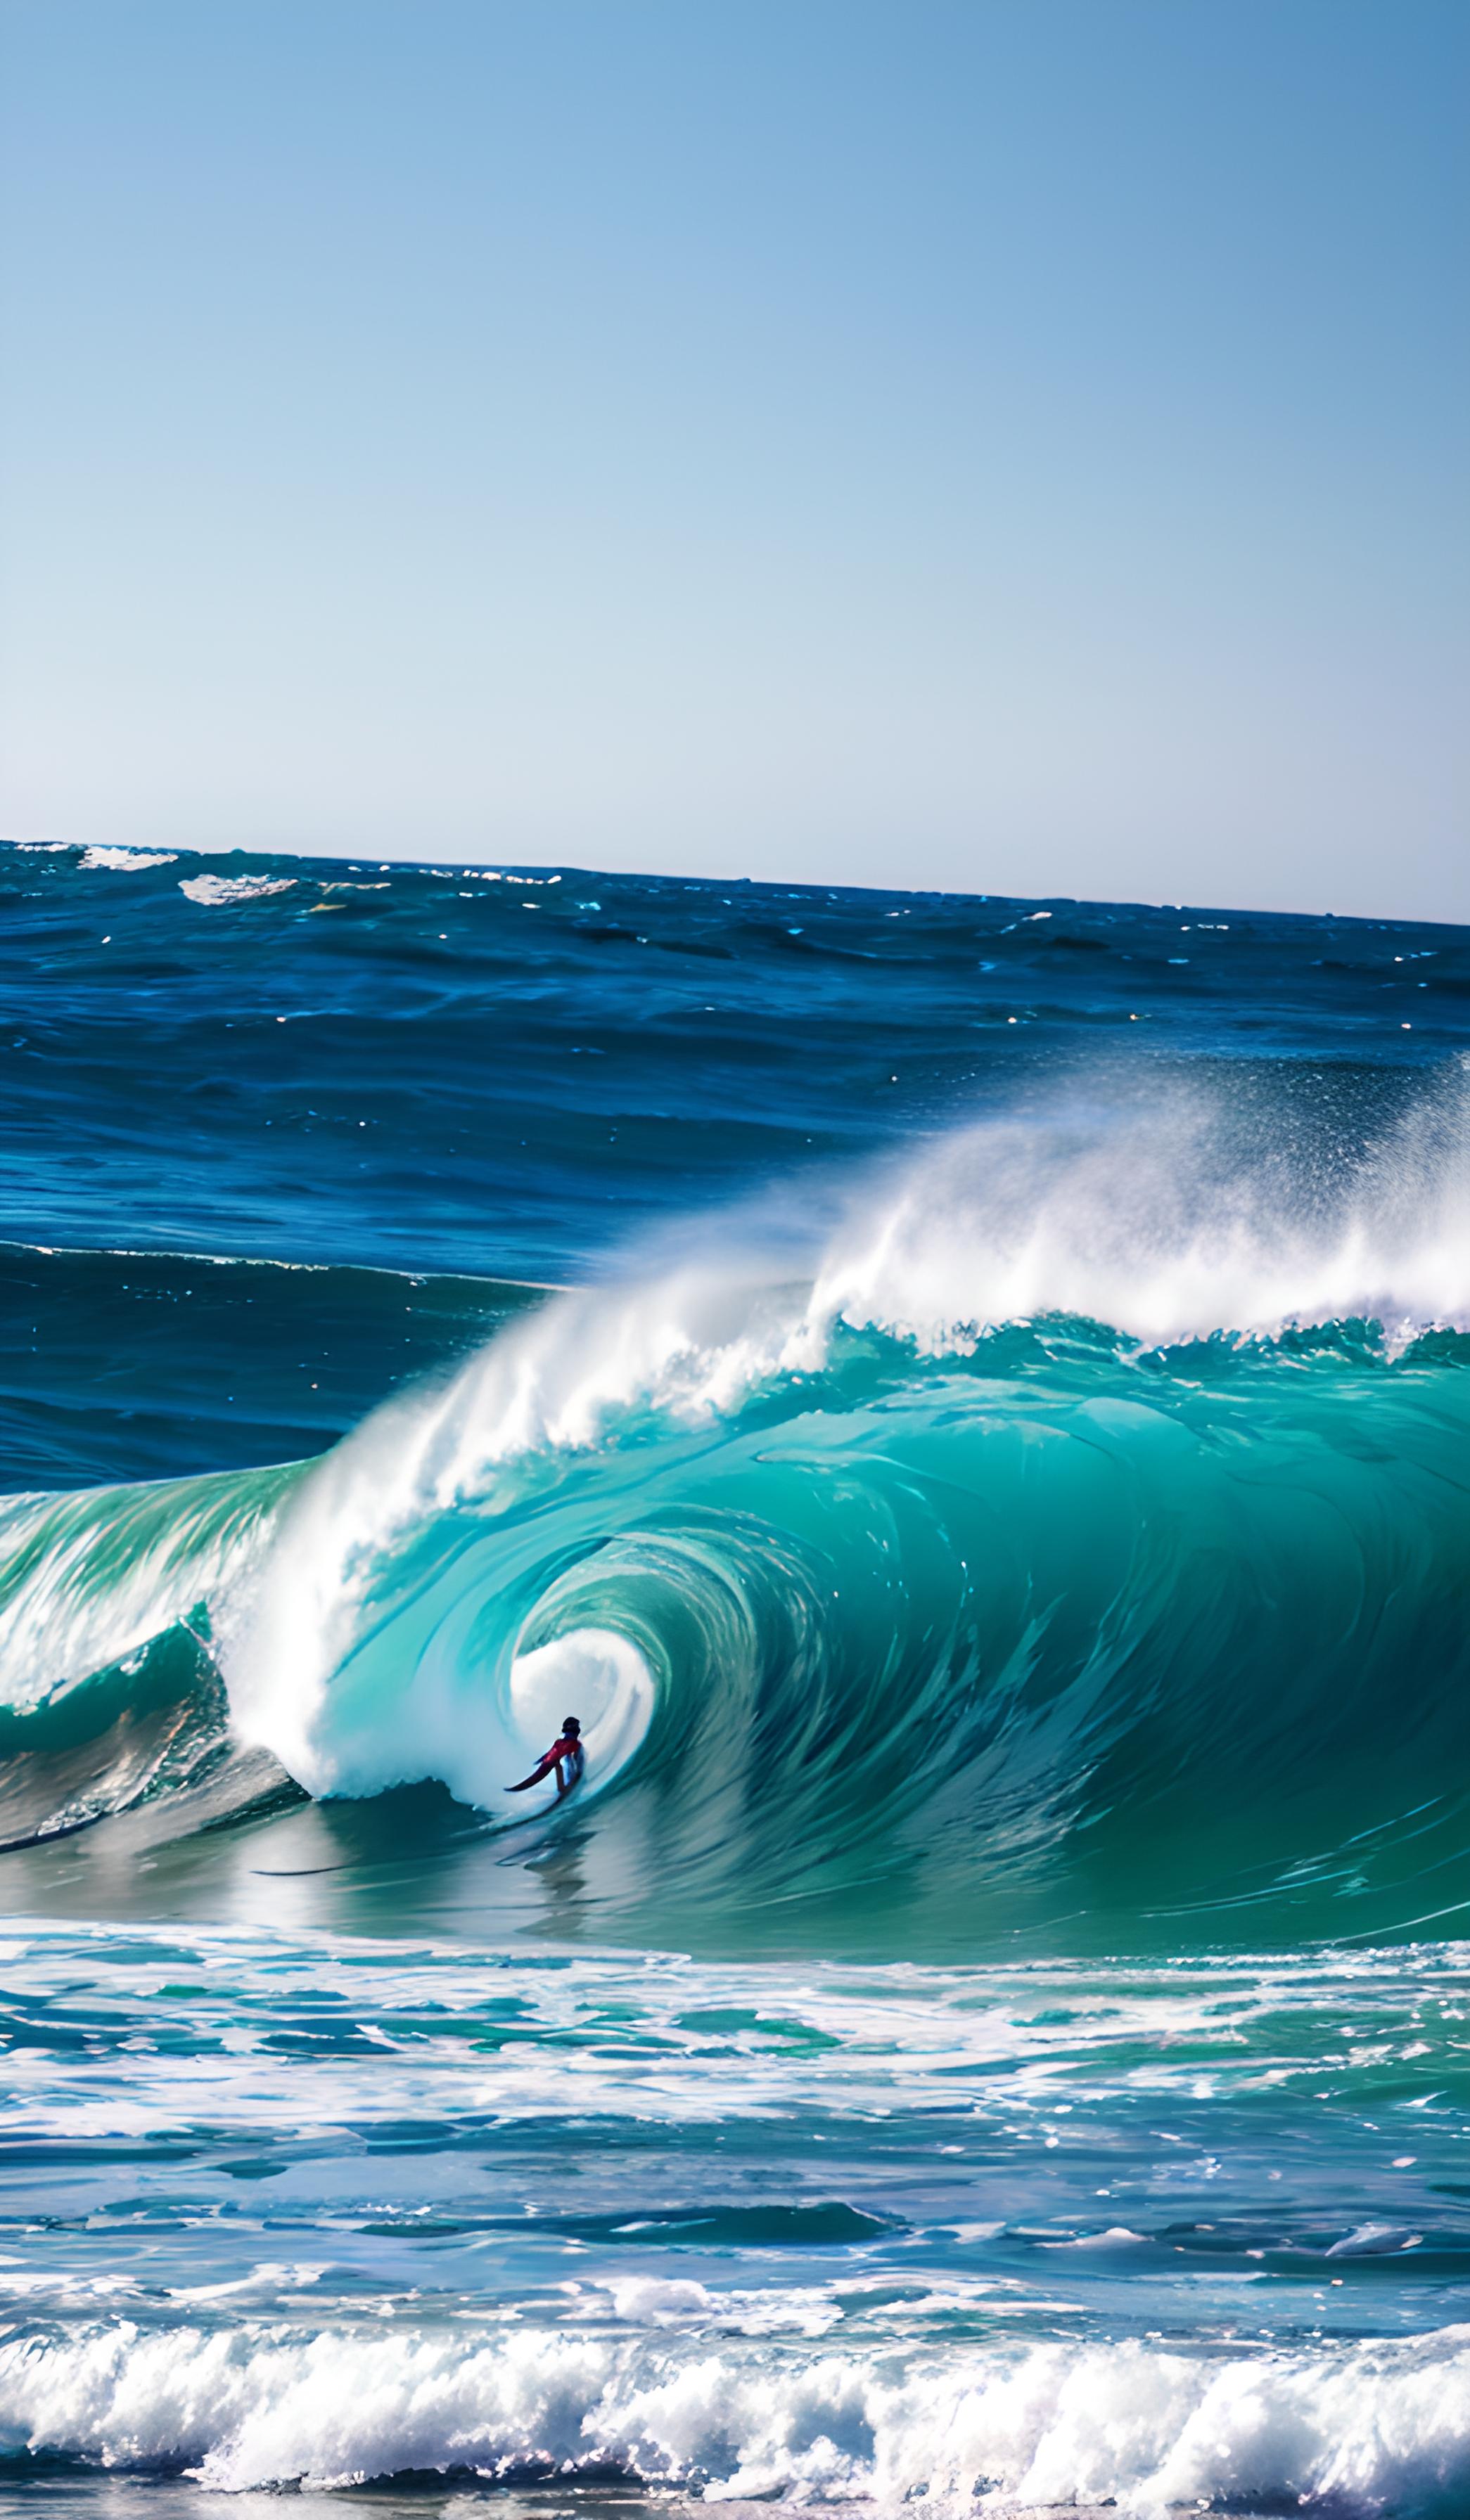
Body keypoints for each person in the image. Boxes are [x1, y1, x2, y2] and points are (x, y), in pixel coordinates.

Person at [507, 1716, 584, 1797]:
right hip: (549, 1763)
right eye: (577, 1725)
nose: (578, 1728)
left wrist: (541, 1760)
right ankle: (563, 1788)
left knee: (558, 1765)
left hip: (550, 1761)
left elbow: (551, 1752)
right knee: (532, 1781)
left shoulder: (560, 1742)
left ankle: (562, 1787)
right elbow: (552, 1753)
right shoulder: (568, 1742)